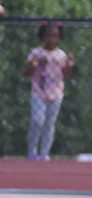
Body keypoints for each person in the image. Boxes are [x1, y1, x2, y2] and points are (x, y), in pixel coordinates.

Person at [24, 22, 76, 161]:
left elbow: (65, 76)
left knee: (49, 123)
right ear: (42, 37)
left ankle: (44, 153)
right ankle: (32, 150)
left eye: (55, 36)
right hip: (38, 92)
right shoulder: (36, 53)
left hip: (56, 93)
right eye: (48, 36)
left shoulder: (61, 55)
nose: (51, 39)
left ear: (59, 38)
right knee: (37, 121)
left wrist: (69, 66)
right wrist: (33, 66)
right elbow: (27, 73)